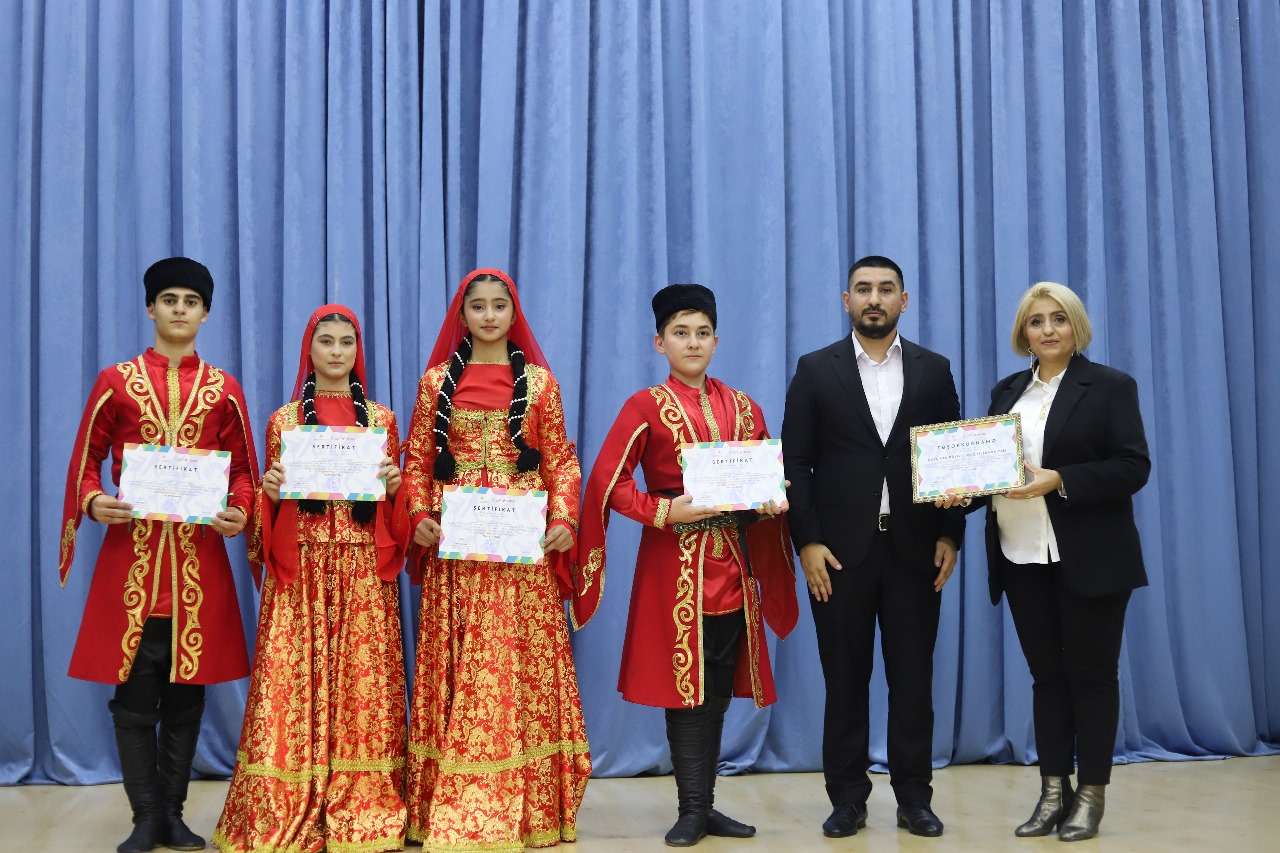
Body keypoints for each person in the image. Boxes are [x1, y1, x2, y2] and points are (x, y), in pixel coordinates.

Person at [574, 283, 798, 847]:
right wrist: (663, 510)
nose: (692, 343)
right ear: (660, 343)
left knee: (717, 684)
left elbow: (762, 476)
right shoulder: (645, 406)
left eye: (702, 333)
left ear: (716, 341)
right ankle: (691, 809)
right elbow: (607, 482)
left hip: (733, 566)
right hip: (675, 567)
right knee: (686, 687)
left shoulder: (744, 407)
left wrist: (772, 497)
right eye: (680, 333)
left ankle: (707, 805)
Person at [57, 257, 258, 853]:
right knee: (135, 697)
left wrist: (239, 510)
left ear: (205, 313)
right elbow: (85, 459)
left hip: (198, 565)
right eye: (168, 299)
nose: (179, 309)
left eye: (190, 301)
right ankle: (144, 817)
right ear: (150, 308)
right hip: (133, 567)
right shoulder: (116, 381)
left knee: (188, 697)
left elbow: (243, 470)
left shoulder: (223, 388)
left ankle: (173, 814)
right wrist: (94, 501)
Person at [936, 282, 1150, 841]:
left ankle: (1091, 794)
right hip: (1020, 554)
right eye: (1036, 321)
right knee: (1047, 679)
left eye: (1058, 318)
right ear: (1023, 333)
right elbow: (993, 473)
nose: (1048, 329)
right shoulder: (1007, 392)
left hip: (1091, 557)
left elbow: (1133, 466)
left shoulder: (1110, 386)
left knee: (1093, 679)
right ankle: (1053, 792)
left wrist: (1062, 480)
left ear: (1077, 326)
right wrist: (960, 493)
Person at [399, 268, 590, 850]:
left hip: (521, 557)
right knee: (462, 669)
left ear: (513, 312)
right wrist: (419, 514)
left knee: (519, 670)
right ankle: (449, 804)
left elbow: (561, 461)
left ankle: (530, 809)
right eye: (477, 306)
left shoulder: (540, 384)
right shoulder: (436, 384)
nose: (488, 315)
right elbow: (417, 461)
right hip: (457, 557)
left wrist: (564, 519)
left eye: (498, 305)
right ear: (462, 315)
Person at [213, 305, 409, 852]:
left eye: (347, 341)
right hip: (302, 570)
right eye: (327, 341)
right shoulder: (284, 422)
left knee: (362, 686)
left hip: (363, 571)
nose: (337, 351)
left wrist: (396, 488)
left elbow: (399, 514)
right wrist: (272, 493)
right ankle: (287, 801)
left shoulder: (382, 420)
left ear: (358, 351)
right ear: (310, 349)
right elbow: (265, 514)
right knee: (292, 684)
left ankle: (361, 802)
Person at [782, 255, 964, 838]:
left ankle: (914, 798)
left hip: (915, 552)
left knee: (913, 682)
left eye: (886, 289)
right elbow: (796, 463)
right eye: (863, 289)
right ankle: (847, 800)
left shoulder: (935, 370)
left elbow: (951, 458)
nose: (874, 299)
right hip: (838, 557)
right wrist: (808, 542)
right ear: (847, 301)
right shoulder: (816, 369)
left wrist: (950, 533)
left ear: (903, 301)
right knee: (845, 681)